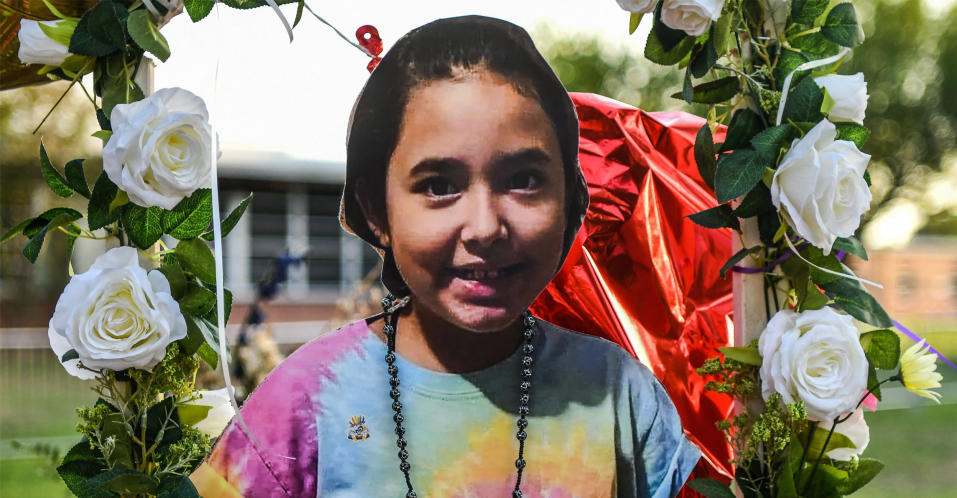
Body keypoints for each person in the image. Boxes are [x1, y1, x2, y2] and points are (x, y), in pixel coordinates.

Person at [190, 15, 700, 498]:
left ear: (568, 197)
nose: (484, 228)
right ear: (376, 211)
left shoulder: (619, 397)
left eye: (524, 181)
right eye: (438, 186)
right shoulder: (306, 401)